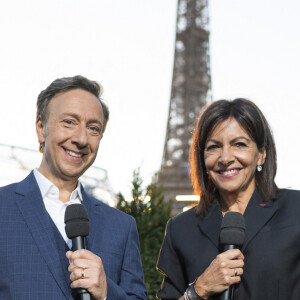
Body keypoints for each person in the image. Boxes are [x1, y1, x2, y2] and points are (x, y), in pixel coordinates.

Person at [0, 75, 147, 299]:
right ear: (41, 128)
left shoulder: (122, 226)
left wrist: (107, 292)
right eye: (69, 122)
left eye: (93, 128)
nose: (81, 138)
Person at [156, 98, 300, 300]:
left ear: (261, 154)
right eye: (213, 147)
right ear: (202, 158)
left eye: (239, 144)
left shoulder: (295, 210)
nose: (225, 158)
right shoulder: (180, 229)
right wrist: (200, 289)